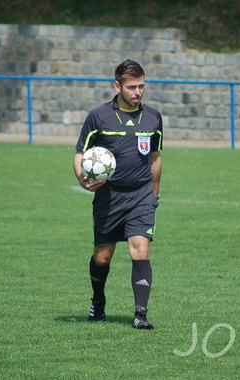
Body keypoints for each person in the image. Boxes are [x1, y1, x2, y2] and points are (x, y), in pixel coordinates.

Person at [73, 59, 163, 329]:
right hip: (109, 197)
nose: (138, 92)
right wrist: (81, 178)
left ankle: (141, 314)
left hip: (140, 195)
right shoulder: (98, 116)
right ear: (117, 86)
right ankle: (98, 301)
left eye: (142, 86)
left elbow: (156, 157)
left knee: (141, 250)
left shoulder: (153, 117)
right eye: (132, 87)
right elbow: (80, 153)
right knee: (102, 257)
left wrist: (154, 194)